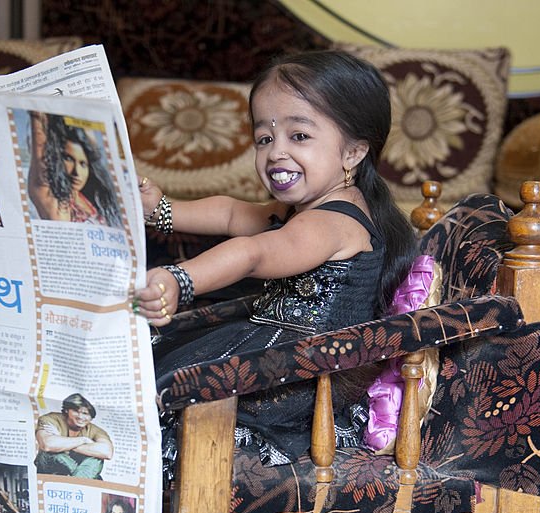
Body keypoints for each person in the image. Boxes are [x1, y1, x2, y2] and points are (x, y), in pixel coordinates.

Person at [134, 50, 418, 482]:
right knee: (157, 352)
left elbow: (254, 253)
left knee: (174, 381)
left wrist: (182, 278)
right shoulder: (306, 207)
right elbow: (231, 213)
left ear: (354, 152)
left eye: (299, 136)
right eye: (264, 138)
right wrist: (164, 210)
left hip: (297, 374)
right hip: (276, 350)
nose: (275, 153)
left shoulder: (333, 221)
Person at [28, 112, 120, 226]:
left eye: (83, 164)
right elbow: (40, 144)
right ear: (57, 160)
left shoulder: (86, 198)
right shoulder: (54, 199)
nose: (77, 172)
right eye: (69, 159)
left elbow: (93, 150)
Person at [34, 393, 114, 479]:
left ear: (91, 417)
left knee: (97, 458)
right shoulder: (50, 419)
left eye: (85, 413)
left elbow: (107, 452)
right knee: (54, 454)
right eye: (76, 411)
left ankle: (75, 481)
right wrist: (84, 440)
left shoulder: (96, 430)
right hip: (51, 468)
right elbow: (47, 445)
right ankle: (80, 482)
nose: (80, 417)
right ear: (67, 410)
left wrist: (61, 442)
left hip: (80, 468)